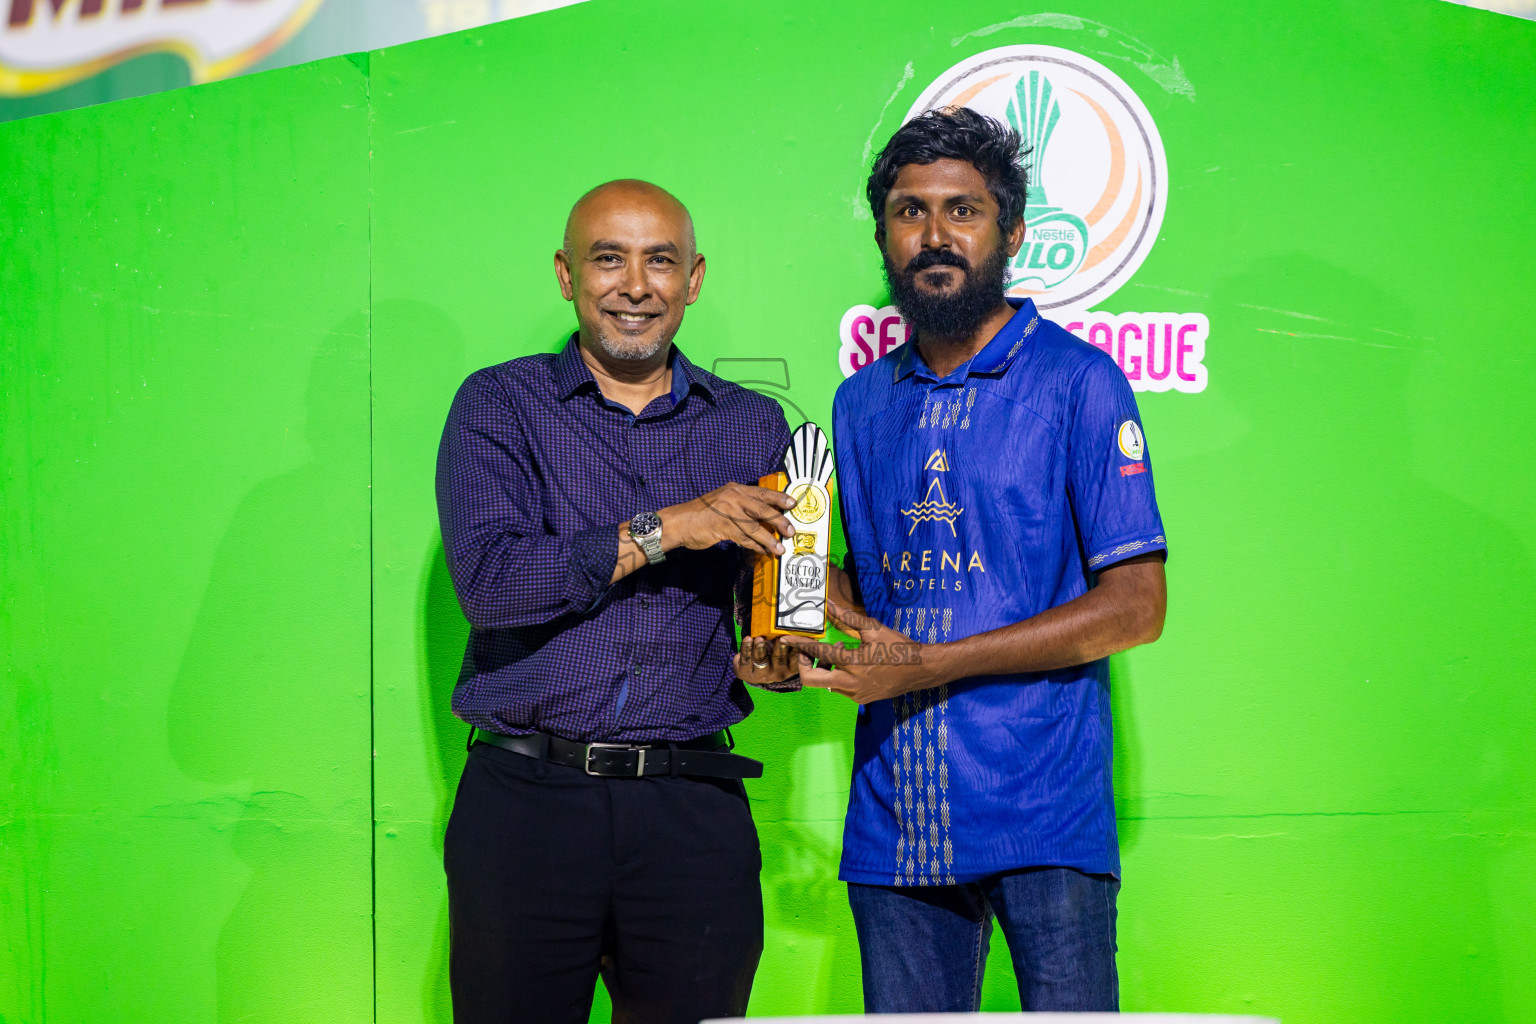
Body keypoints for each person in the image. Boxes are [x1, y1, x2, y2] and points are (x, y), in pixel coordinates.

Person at [783, 108, 1169, 1012]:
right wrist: (795, 608)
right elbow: (867, 576)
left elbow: (1136, 607)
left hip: (1045, 814)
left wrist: (930, 664)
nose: (934, 235)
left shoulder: (1079, 382)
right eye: (910, 212)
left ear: (1013, 232)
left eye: (963, 210)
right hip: (897, 817)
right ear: (883, 234)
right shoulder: (858, 402)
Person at [435, 179, 801, 1024]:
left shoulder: (752, 425)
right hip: (528, 803)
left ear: (694, 279)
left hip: (692, 810)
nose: (635, 285)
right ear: (566, 274)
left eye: (659, 261)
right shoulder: (498, 405)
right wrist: (675, 524)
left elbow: (774, 604)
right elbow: (494, 585)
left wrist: (780, 653)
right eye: (609, 258)